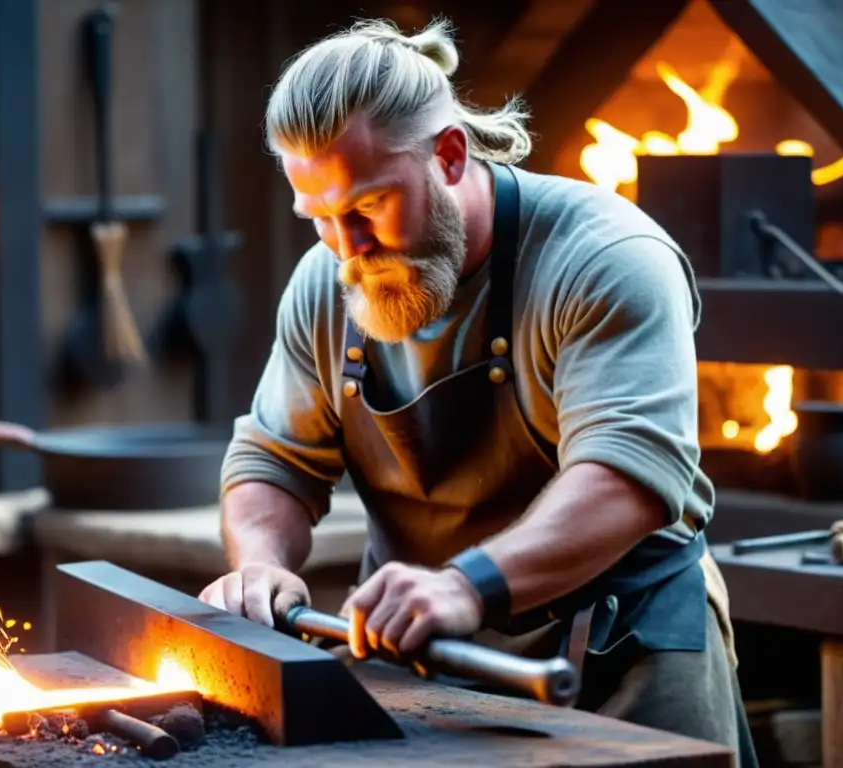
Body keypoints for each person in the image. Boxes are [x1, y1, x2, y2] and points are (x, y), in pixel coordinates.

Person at [199, 16, 757, 766]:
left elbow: (630, 477)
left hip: (623, 651)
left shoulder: (605, 259)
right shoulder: (326, 283)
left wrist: (467, 587)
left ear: (451, 155)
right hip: (425, 652)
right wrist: (262, 562)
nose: (347, 249)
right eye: (321, 220)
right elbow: (274, 460)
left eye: (366, 208)